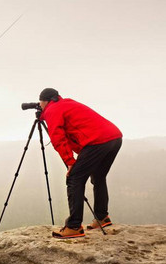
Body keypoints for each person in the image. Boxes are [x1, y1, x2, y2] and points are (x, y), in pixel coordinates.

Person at [38, 88, 123, 239]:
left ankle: (74, 226)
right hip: (114, 137)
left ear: (44, 101)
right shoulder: (66, 103)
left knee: (74, 179)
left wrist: (70, 162)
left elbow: (58, 138)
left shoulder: (52, 110)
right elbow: (78, 135)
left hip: (97, 141)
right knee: (99, 176)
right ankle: (102, 217)